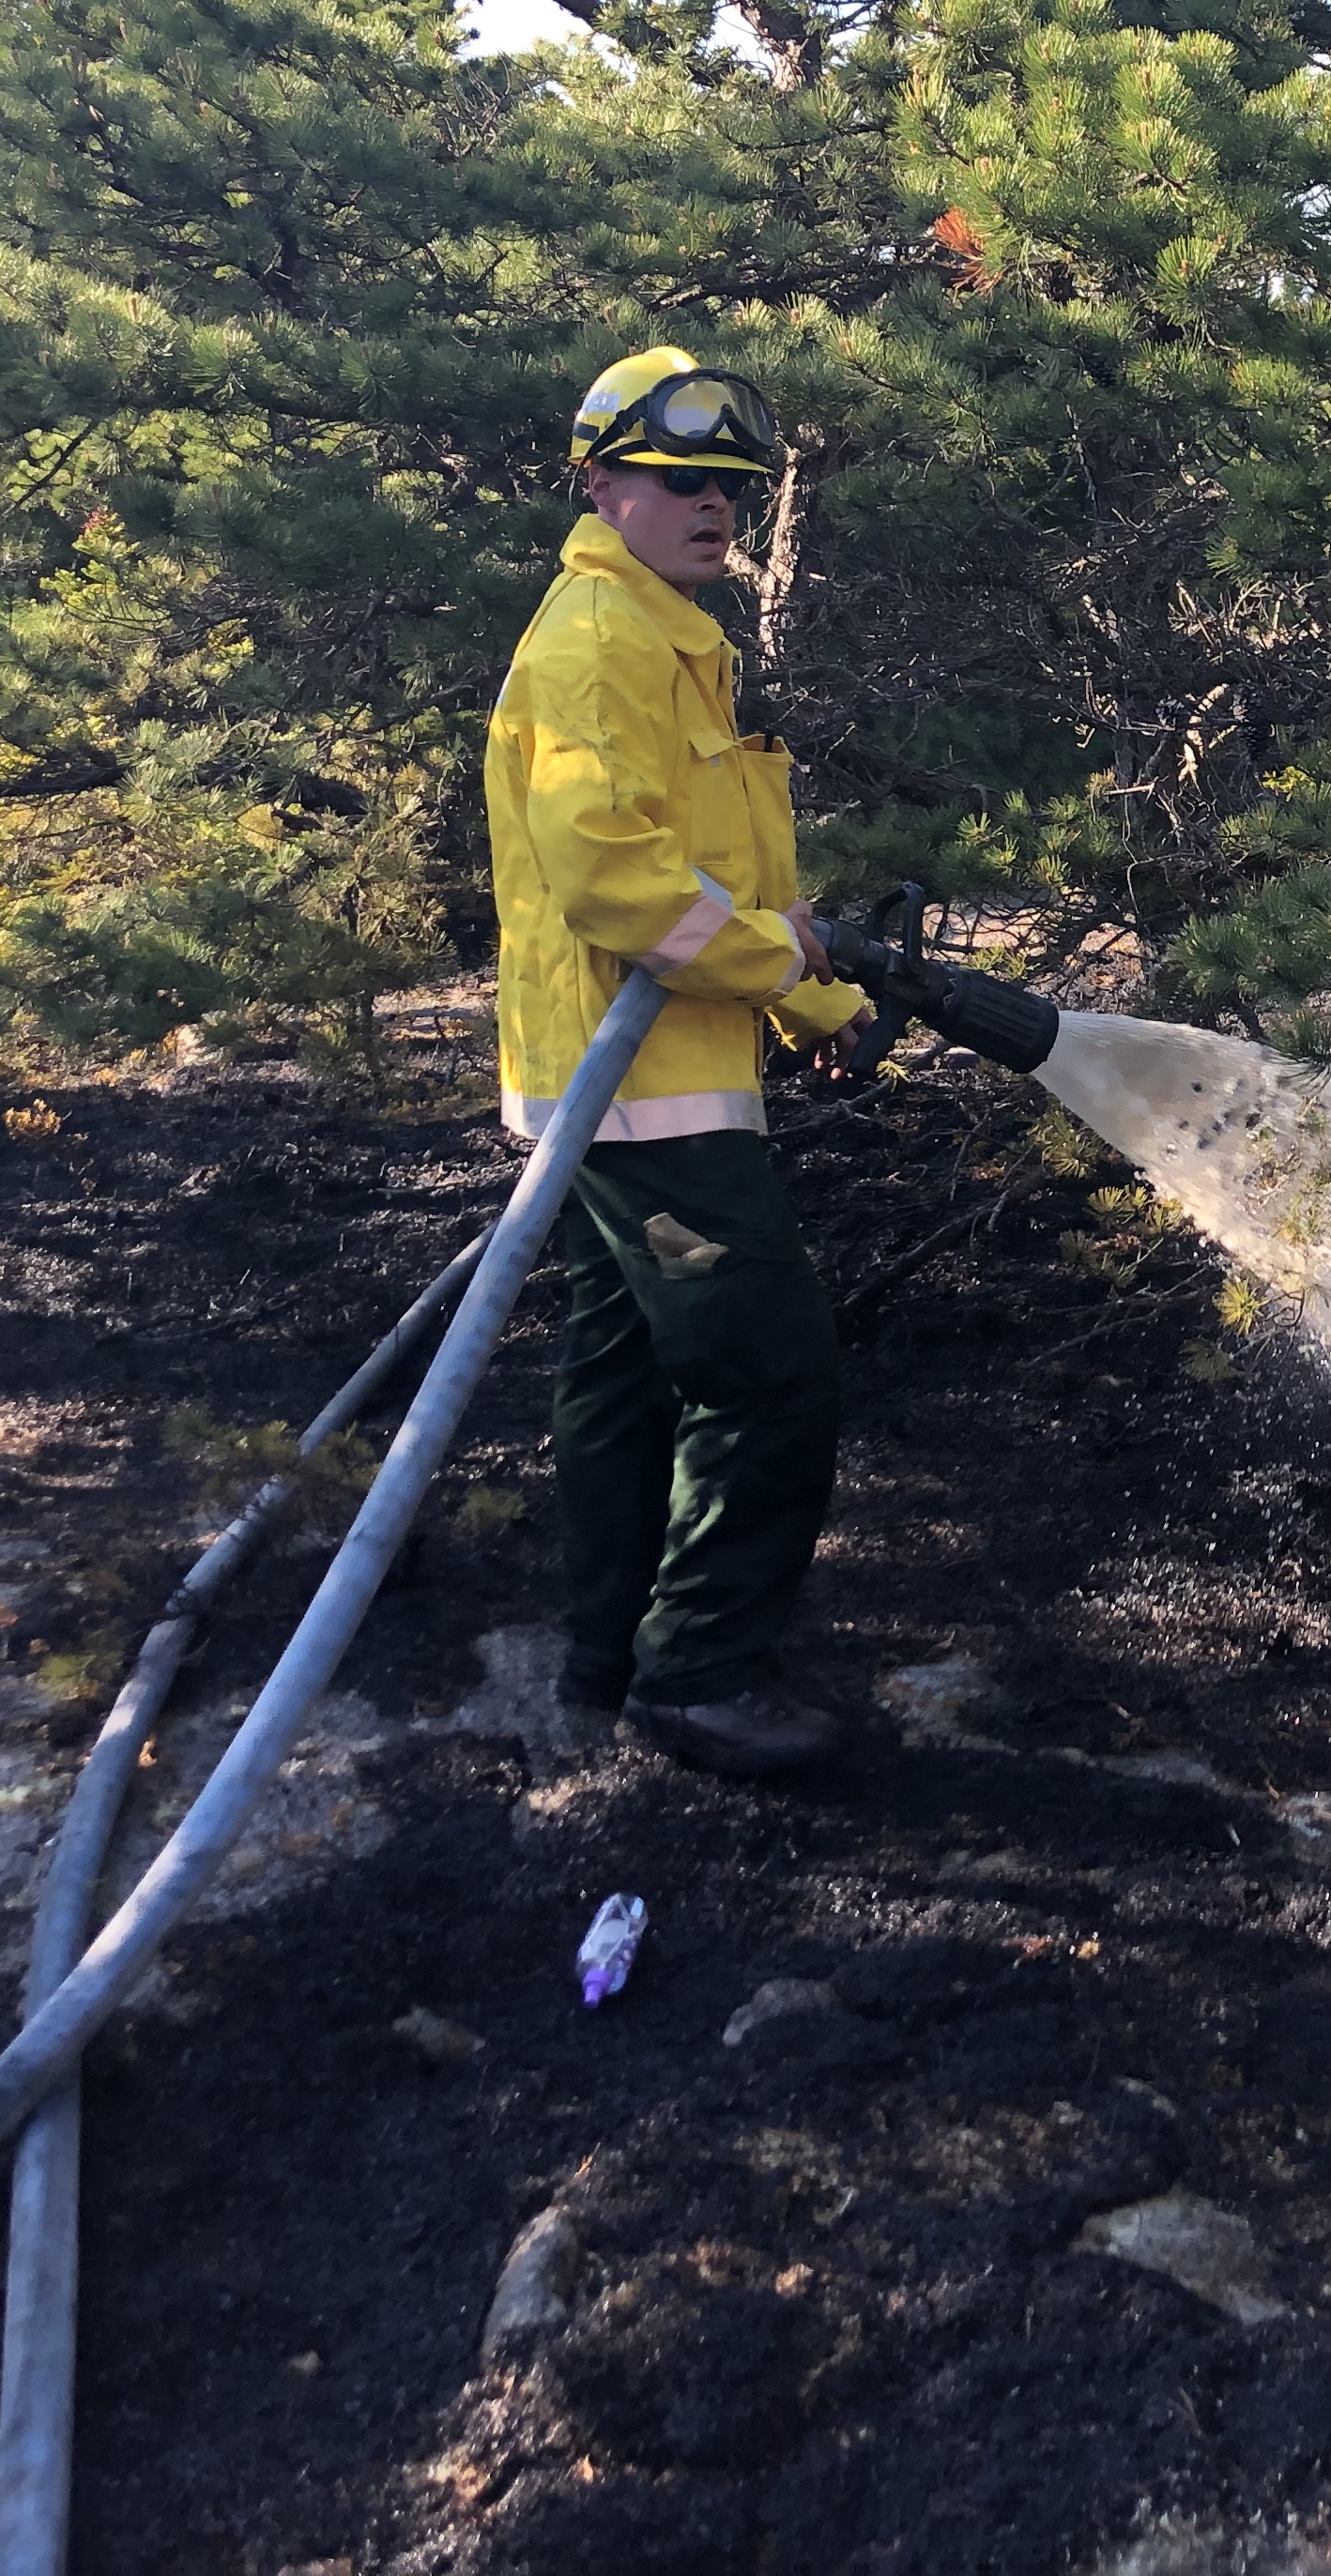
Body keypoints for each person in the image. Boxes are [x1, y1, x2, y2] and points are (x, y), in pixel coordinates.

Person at [485, 347, 877, 1777]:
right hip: (639, 1093)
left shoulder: (671, 638)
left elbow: (721, 872)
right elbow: (622, 886)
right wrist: (789, 970)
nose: (716, 507)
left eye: (731, 486)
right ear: (601, 485)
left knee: (625, 1369)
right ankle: (701, 1672)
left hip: (653, 1070)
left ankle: (607, 1659)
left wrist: (817, 1009)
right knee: (767, 1370)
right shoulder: (600, 644)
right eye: (680, 482)